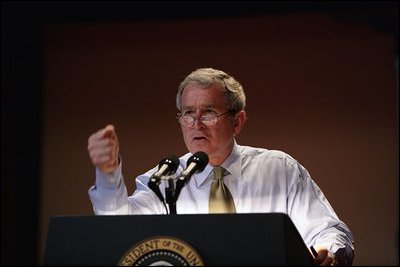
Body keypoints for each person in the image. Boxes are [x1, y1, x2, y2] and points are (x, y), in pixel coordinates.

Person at [88, 67, 355, 266]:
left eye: (208, 113)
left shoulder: (279, 170)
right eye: (188, 113)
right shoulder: (165, 180)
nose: (196, 124)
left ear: (237, 122)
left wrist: (326, 251)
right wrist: (108, 174)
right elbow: (117, 230)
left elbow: (329, 231)